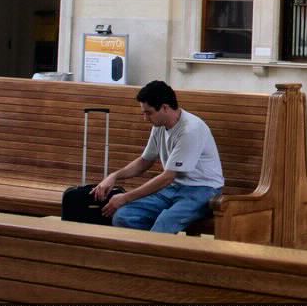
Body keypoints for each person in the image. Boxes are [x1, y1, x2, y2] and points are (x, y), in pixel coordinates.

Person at [93, 80, 224, 233]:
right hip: (173, 187)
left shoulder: (190, 130)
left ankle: (153, 252)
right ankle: (150, 251)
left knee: (164, 224)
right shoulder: (159, 125)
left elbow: (168, 176)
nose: (145, 118)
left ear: (165, 108)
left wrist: (125, 197)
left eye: (148, 113)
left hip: (203, 189)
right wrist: (114, 176)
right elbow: (144, 161)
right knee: (123, 216)